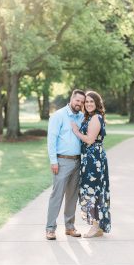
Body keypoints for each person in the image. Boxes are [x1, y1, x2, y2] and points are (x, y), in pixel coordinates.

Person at [46, 89, 85, 240]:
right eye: (78, 101)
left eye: (82, 102)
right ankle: (50, 229)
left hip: (77, 161)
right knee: (57, 196)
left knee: (72, 196)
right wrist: (53, 161)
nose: (80, 104)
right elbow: (51, 140)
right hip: (61, 161)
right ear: (71, 99)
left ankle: (69, 227)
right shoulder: (58, 116)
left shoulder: (82, 116)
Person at [71, 90, 111, 238]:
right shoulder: (90, 117)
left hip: (94, 160)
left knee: (93, 191)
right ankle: (98, 226)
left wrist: (76, 131)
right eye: (86, 101)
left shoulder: (96, 118)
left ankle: (95, 226)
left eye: (91, 102)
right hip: (90, 159)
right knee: (95, 191)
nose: (88, 104)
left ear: (97, 103)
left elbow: (89, 140)